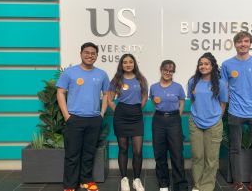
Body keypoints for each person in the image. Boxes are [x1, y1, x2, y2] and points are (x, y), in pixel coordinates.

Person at [57, 42, 109, 191]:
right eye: (87, 52)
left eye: (93, 53)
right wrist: (67, 116)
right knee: (72, 154)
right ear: (81, 54)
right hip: (74, 119)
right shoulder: (70, 73)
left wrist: (102, 113)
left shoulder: (101, 74)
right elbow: (60, 92)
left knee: (89, 153)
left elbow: (106, 94)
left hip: (94, 120)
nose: (90, 55)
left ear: (97, 56)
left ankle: (86, 181)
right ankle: (69, 185)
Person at [221, 31, 252, 191]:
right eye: (239, 42)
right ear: (235, 44)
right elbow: (224, 86)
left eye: (246, 41)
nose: (243, 44)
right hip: (235, 112)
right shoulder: (227, 64)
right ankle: (238, 182)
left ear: (250, 43)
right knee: (235, 149)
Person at [187, 52, 228, 191]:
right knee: (197, 156)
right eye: (200, 64)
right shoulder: (193, 81)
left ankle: (206, 187)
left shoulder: (220, 83)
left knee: (211, 159)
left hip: (214, 124)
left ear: (212, 66)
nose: (203, 66)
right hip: (195, 122)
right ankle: (197, 185)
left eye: (206, 64)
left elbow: (223, 103)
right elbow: (193, 100)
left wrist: (217, 118)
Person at [107, 54, 148, 191]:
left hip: (136, 117)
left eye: (131, 62)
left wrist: (137, 107)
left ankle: (137, 180)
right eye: (125, 62)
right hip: (121, 117)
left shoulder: (141, 79)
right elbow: (110, 99)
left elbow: (144, 96)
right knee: (123, 148)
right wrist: (118, 109)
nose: (128, 64)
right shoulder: (116, 80)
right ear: (122, 64)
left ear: (134, 64)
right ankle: (124, 179)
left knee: (138, 150)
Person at [150, 60, 189, 191]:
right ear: (160, 69)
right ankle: (163, 184)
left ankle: (180, 184)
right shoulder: (154, 87)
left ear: (173, 72)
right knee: (160, 153)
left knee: (177, 153)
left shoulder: (178, 87)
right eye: (165, 70)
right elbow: (154, 102)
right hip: (159, 120)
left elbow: (182, 101)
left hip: (174, 120)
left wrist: (177, 114)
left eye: (171, 71)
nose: (168, 72)